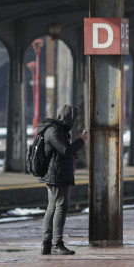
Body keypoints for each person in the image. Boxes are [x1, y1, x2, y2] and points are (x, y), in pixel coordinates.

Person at [38, 105, 86, 255]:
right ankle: (56, 243)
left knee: (53, 207)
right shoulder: (54, 130)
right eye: (73, 118)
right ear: (68, 118)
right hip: (56, 175)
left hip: (57, 174)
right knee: (61, 206)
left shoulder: (58, 129)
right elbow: (65, 150)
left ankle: (47, 243)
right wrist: (81, 141)